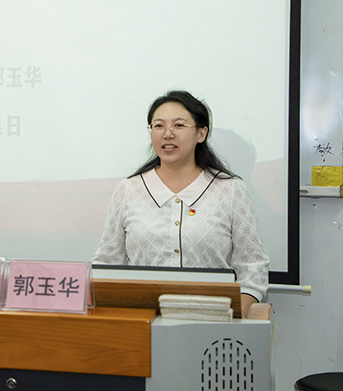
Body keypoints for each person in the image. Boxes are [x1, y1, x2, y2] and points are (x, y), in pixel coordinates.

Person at [92, 90, 269, 317]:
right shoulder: (128, 189)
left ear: (201, 133)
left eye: (179, 125)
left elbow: (253, 266)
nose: (168, 134)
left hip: (212, 321)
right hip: (142, 321)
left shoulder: (230, 189)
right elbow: (106, 263)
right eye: (159, 126)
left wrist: (235, 314)